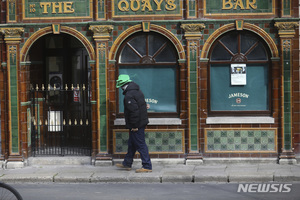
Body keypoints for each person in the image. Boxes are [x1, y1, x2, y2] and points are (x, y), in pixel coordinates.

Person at [115, 74, 152, 173]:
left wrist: (135, 126)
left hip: (137, 125)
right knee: (132, 144)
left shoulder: (129, 95)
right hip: (141, 122)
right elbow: (142, 106)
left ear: (123, 85)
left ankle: (147, 166)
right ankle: (127, 163)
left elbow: (134, 112)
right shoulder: (137, 91)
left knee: (140, 144)